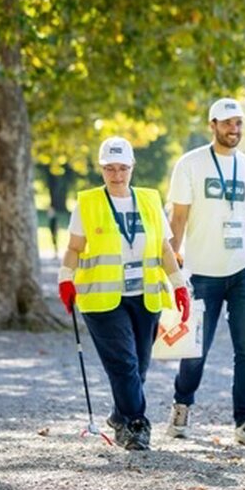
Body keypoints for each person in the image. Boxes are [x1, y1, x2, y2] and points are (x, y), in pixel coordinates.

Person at [58, 137, 190, 451]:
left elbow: (163, 248)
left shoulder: (149, 199)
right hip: (103, 300)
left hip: (144, 296)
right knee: (124, 363)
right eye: (109, 169)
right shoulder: (88, 203)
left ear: (132, 167)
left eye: (123, 168)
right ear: (101, 169)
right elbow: (75, 248)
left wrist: (179, 284)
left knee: (139, 365)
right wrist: (65, 280)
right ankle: (135, 424)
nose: (117, 175)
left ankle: (119, 415)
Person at [166, 98, 245, 446]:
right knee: (196, 348)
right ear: (212, 124)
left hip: (244, 269)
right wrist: (171, 268)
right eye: (227, 123)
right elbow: (177, 218)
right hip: (202, 273)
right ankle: (181, 407)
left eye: (239, 123)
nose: (234, 129)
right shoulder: (190, 164)